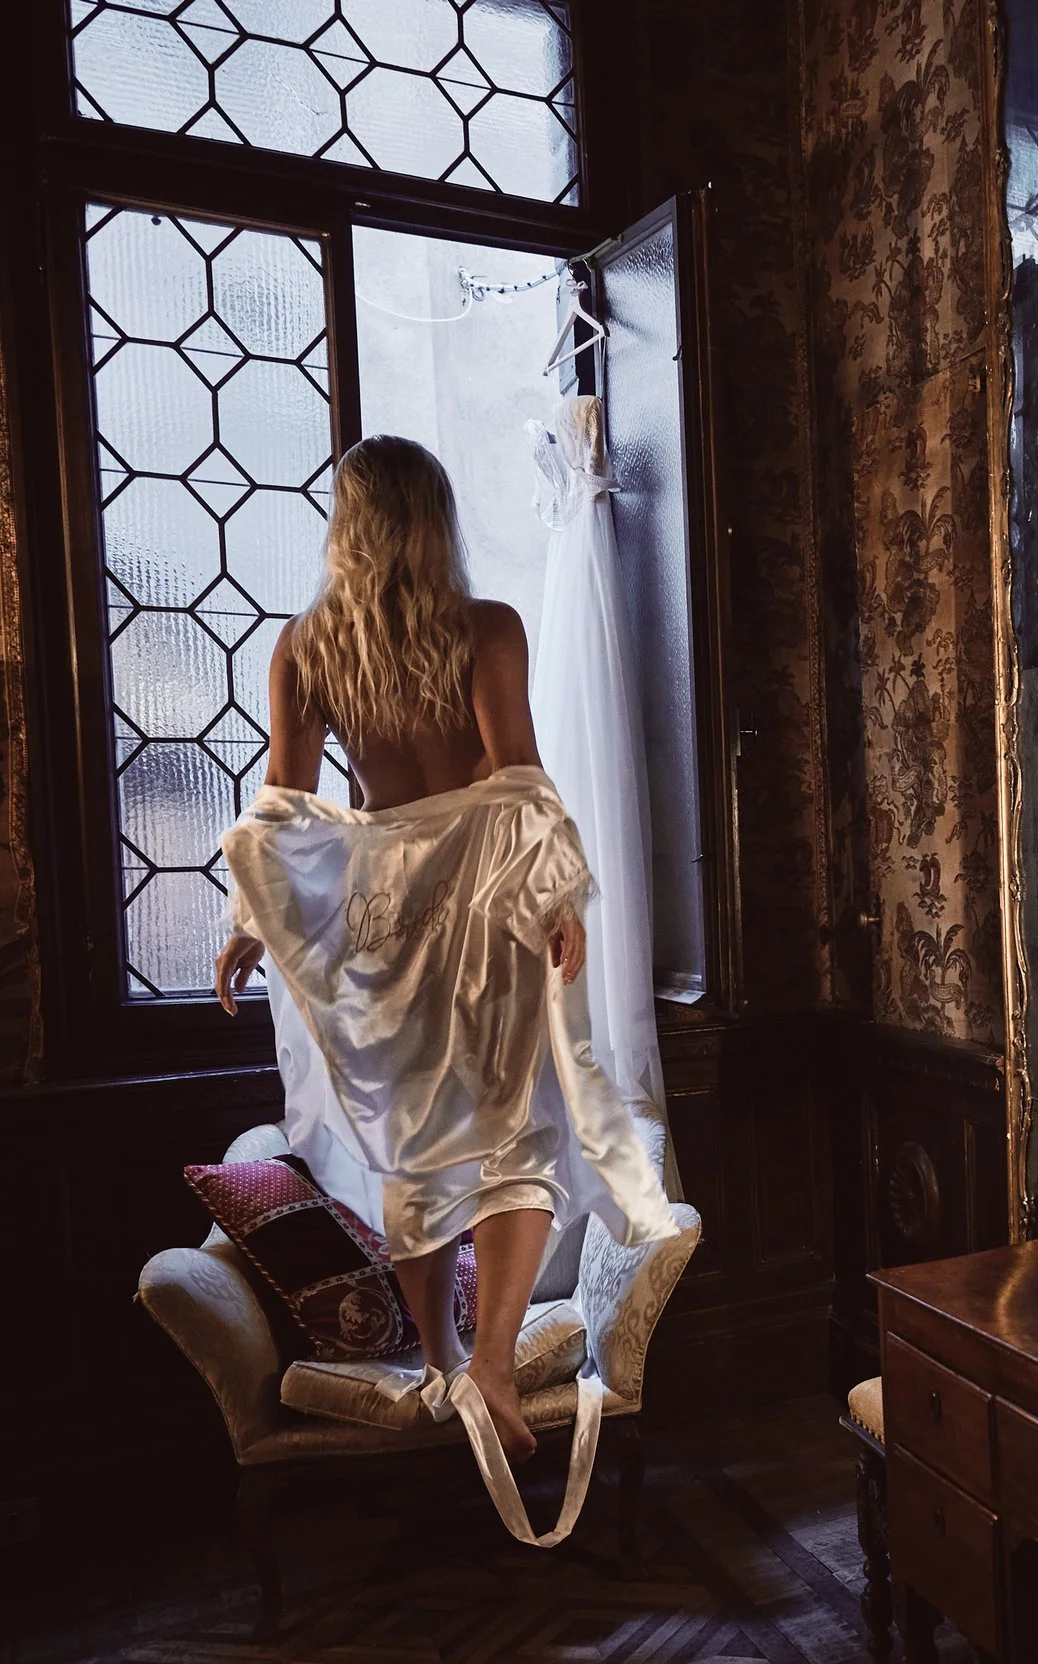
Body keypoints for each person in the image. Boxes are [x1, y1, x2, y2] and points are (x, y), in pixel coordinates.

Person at [212, 435, 674, 1473]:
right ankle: (495, 1363)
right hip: (483, 901)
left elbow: (287, 801)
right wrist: (556, 891)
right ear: (435, 519)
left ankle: (443, 1360)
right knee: (521, 1131)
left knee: (411, 1146)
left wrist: (252, 917)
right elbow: (517, 771)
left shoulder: (307, 646)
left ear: (349, 526)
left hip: (383, 911)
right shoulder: (486, 626)